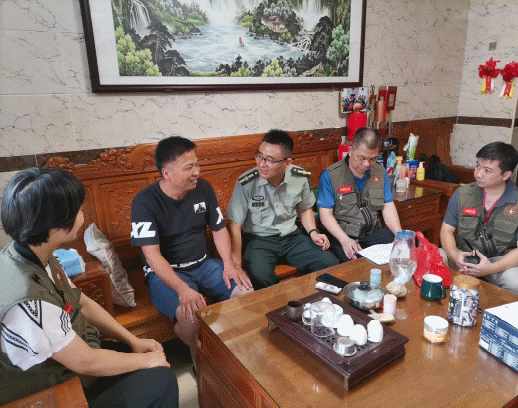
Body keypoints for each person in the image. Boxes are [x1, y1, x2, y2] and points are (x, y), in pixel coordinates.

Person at [0, 168, 178, 407]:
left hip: (78, 355)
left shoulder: (38, 253)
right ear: (55, 225)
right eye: (78, 209)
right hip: (56, 385)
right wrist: (148, 362)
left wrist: (132, 340)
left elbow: (81, 302)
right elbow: (85, 362)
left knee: (151, 365)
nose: (82, 214)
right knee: (160, 380)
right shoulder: (27, 299)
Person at [131, 136, 253, 365]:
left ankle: (233, 345)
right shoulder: (144, 202)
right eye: (189, 167)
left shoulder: (203, 188)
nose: (197, 172)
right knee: (190, 318)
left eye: (197, 164)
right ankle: (197, 351)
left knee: (246, 291)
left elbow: (219, 229)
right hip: (169, 273)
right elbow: (151, 255)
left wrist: (229, 265)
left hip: (205, 264)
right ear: (167, 173)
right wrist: (182, 289)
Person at [227, 129, 339, 289]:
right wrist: (237, 264)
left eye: (270, 160)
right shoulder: (246, 182)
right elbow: (235, 225)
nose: (262, 164)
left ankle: (314, 299)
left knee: (329, 262)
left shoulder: (300, 177)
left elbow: (305, 209)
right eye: (259, 156)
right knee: (260, 276)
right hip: (259, 240)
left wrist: (313, 232)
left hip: (292, 237)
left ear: (287, 163)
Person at [440, 142, 518, 296]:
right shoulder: (462, 194)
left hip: (500, 262)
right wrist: (453, 255)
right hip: (464, 255)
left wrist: (491, 268)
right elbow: (446, 230)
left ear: (506, 175)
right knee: (434, 257)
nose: (478, 174)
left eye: (487, 170)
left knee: (517, 284)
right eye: (478, 166)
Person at [317, 127, 402, 263]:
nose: (366, 164)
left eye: (373, 159)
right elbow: (325, 215)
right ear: (351, 151)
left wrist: (399, 234)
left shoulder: (380, 172)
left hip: (371, 232)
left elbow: (387, 205)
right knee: (353, 261)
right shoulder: (331, 175)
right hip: (342, 235)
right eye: (361, 158)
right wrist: (345, 240)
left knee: (397, 250)